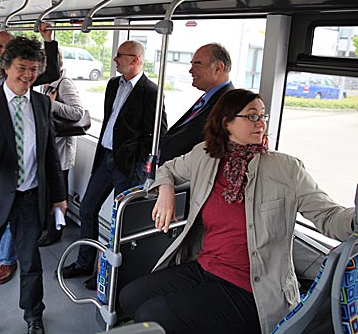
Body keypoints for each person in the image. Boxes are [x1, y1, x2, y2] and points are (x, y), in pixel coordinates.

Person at [119, 89, 356, 334]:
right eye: (252, 116)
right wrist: (166, 190)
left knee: (153, 314)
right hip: (206, 266)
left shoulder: (286, 169)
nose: (261, 123)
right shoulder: (204, 156)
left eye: (263, 116)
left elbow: (329, 217)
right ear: (226, 123)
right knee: (131, 297)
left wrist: (354, 219)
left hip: (253, 289)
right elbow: (167, 169)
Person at [0, 36, 67, 334]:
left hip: (30, 197)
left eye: (33, 69)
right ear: (6, 67)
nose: (28, 75)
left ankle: (33, 317)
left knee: (31, 264)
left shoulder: (42, 103)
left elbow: (49, 155)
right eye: (21, 67)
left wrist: (59, 196)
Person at [60, 40, 168, 290]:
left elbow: (158, 133)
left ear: (136, 60)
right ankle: (85, 263)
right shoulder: (112, 84)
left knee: (120, 221)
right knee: (87, 209)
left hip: (128, 166)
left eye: (120, 56)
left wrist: (137, 158)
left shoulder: (150, 92)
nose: (115, 59)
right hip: (105, 158)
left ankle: (110, 274)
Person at [38, 50, 85, 247]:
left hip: (61, 153)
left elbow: (77, 112)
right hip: (49, 149)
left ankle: (56, 231)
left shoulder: (65, 84)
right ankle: (46, 227)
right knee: (47, 193)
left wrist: (52, 104)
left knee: (58, 193)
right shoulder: (46, 83)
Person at [159, 43, 234, 164]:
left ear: (218, 68)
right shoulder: (208, 98)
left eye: (197, 64)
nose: (190, 70)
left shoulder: (229, 103)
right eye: (191, 64)